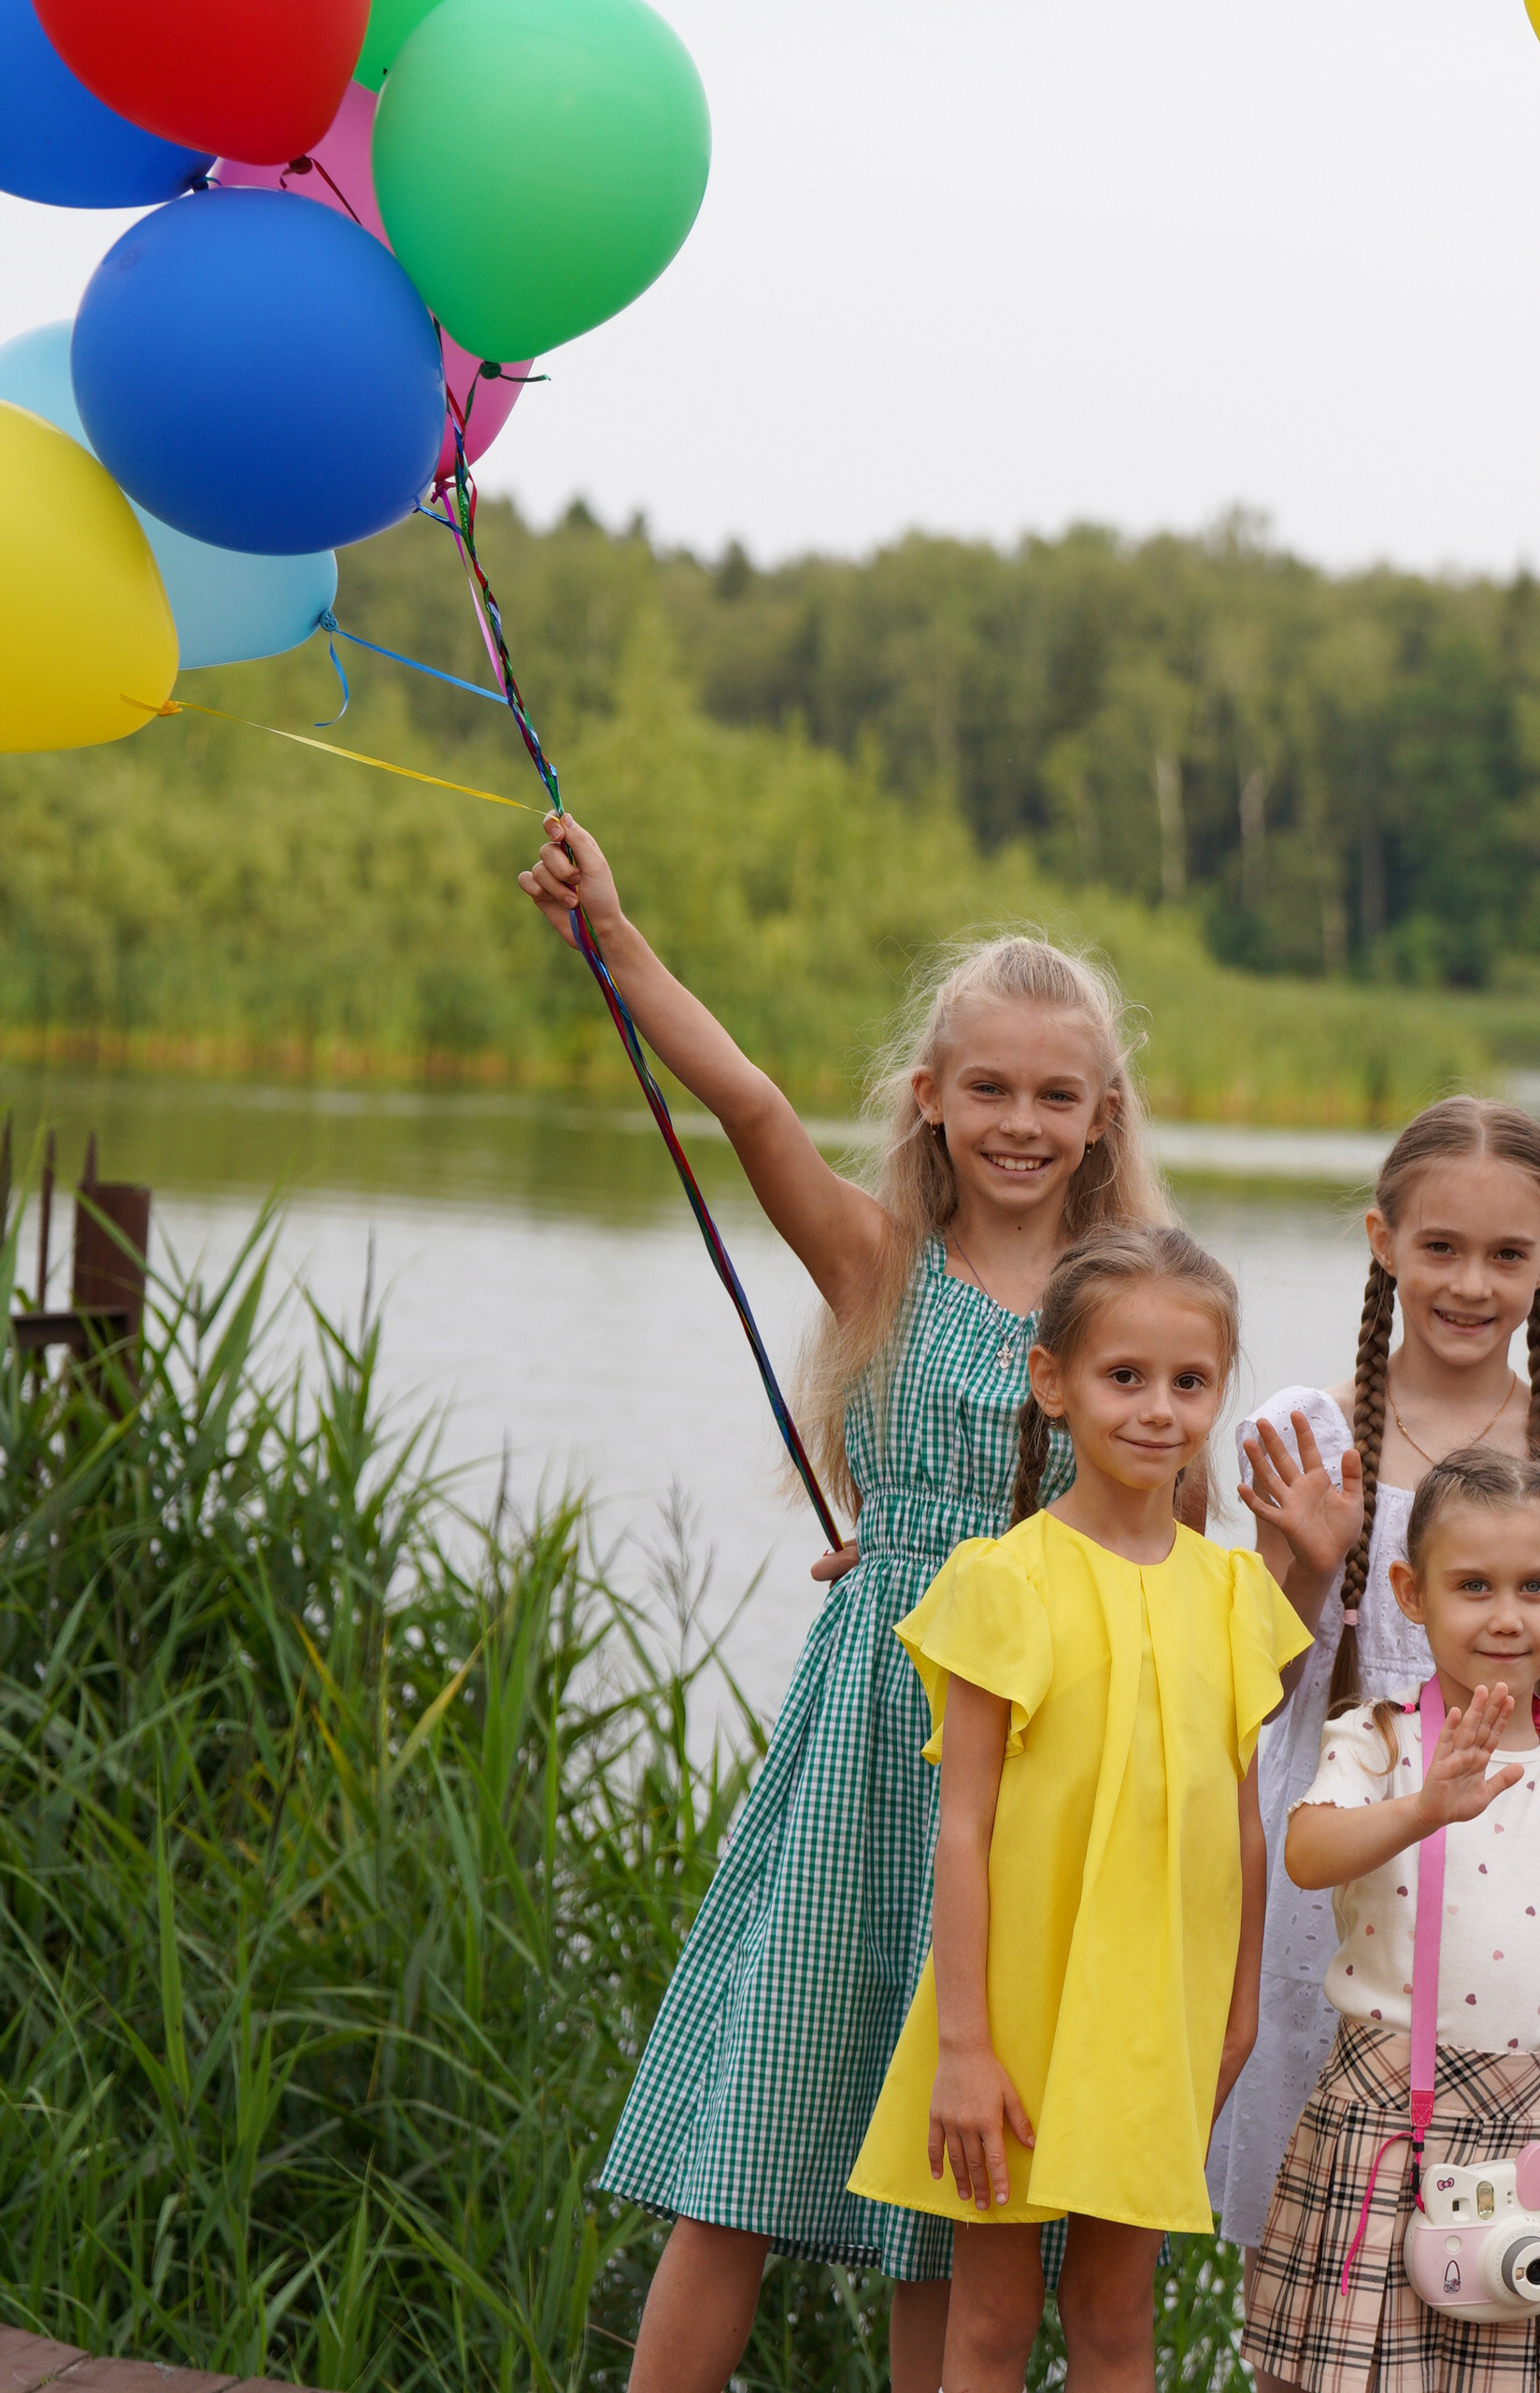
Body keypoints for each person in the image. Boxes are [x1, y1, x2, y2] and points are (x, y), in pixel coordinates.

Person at [516, 816, 1178, 2393]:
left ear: (1101, 1117)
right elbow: (746, 1103)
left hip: (1038, 1760)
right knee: (745, 2149)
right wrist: (613, 934)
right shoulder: (884, 1266)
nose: (1021, 1123)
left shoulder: (1131, 1310)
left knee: (950, 2202)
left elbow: (1164, 1552)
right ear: (930, 1097)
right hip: (873, 1742)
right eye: (989, 1089)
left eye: (1056, 1096)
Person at [848, 1225, 1314, 2393]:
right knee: (991, 2321)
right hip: (1013, 2014)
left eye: (1189, 1381)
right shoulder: (1001, 1580)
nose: (1158, 1409)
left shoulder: (1234, 1594)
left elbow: (1242, 1824)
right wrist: (964, 2045)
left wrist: (1240, 2010)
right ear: (1052, 1383)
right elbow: (963, 1828)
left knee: (1114, 2314)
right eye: (1124, 1376)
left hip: (1159, 2015)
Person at [1209, 1096, 1540, 2267]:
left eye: (1506, 1254)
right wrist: (1310, 1562)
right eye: (1439, 1247)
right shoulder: (1309, 1433)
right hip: (1333, 1869)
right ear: (1382, 1239)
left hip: (1510, 1901)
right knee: (1311, 2251)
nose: (1469, 1283)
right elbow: (1249, 1695)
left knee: (1482, 2253)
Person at [1242, 1447, 1540, 2393]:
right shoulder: (1378, 1738)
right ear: (1411, 1592)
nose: (1506, 1615)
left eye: (1534, 1586)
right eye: (1473, 1586)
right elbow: (1308, 1852)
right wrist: (1423, 1808)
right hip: (1384, 2119)